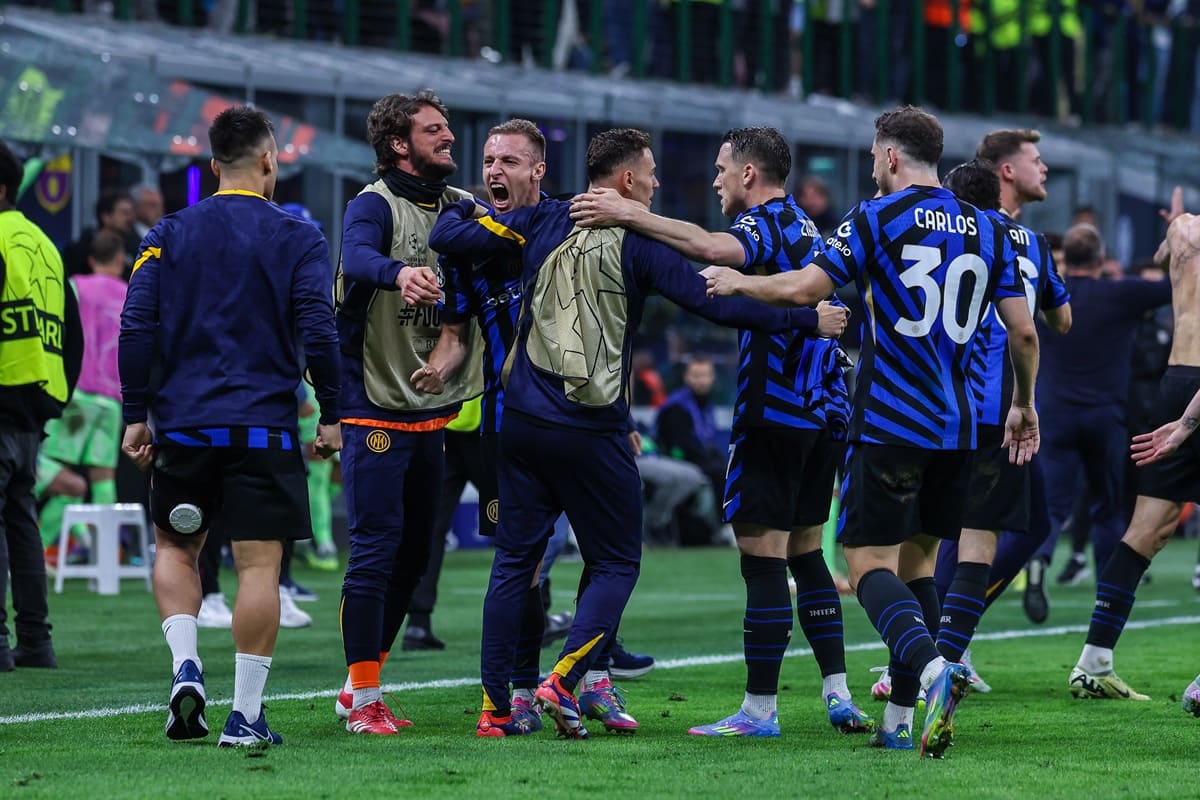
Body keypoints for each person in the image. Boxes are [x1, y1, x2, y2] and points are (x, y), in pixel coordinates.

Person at [430, 127, 846, 739]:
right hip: (588, 428)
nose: (657, 184)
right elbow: (715, 300)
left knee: (514, 564)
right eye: (650, 175)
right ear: (627, 181)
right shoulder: (636, 240)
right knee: (618, 560)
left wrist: (465, 208)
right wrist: (807, 319)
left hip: (517, 423)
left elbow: (447, 235)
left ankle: (502, 707)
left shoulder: (541, 218)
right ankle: (569, 677)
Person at [703, 106, 1040, 758]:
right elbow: (1024, 331)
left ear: (889, 157)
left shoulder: (875, 217)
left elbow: (807, 288)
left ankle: (937, 669)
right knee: (919, 566)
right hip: (964, 427)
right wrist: (1024, 403)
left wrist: (741, 280)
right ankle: (897, 725)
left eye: (870, 157)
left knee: (865, 566)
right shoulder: (990, 228)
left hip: (891, 421)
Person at [570, 126, 869, 739]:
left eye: (721, 169)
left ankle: (759, 711)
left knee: (762, 564)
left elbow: (709, 249)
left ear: (749, 175)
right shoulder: (809, 229)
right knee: (808, 556)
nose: (715, 180)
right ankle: (838, 694)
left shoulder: (767, 223)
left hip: (774, 414)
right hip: (825, 415)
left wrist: (627, 212)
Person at [118, 106, 342, 746]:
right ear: (270, 161)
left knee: (175, 547)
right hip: (265, 430)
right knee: (258, 568)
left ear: (213, 166)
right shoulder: (299, 237)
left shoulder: (167, 232)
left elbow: (137, 328)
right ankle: (245, 716)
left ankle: (185, 665)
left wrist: (138, 414)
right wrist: (331, 412)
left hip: (185, 427)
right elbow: (320, 332)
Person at [331, 89, 481, 736]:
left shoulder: (458, 209)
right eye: (435, 130)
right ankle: (364, 700)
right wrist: (398, 274)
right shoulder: (373, 205)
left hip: (432, 408)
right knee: (375, 551)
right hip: (373, 405)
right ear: (400, 143)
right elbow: (357, 257)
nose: (449, 137)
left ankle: (358, 684)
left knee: (416, 556)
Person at [929, 134, 1072, 681]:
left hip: (955, 399)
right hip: (999, 404)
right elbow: (1058, 322)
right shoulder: (1029, 243)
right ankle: (936, 653)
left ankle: (946, 644)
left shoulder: (947, 233)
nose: (1045, 167)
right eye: (1036, 160)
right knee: (966, 530)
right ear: (1006, 172)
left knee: (1027, 525)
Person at [1067, 187, 1197, 703]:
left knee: (1148, 529)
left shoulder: (1184, 230)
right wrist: (1189, 425)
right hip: (1192, 402)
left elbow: (1166, 259)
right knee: (1148, 528)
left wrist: (1172, 226)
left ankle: (1094, 662)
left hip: (1176, 380)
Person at [1022, 222, 1171, 622]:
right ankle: (1110, 589)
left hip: (1054, 414)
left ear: (1066, 259)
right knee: (1107, 507)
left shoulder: (1048, 294)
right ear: (1102, 260)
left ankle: (1039, 562)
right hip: (1106, 417)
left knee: (1052, 507)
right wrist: (1174, 235)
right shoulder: (1123, 293)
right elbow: (1173, 283)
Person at [0, 139, 82, 672]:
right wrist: (54, 401)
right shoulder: (45, 244)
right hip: (34, 403)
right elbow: (70, 335)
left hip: (3, 390)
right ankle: (35, 642)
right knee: (20, 518)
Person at [38, 230, 128, 553]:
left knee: (50, 470)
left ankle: (41, 546)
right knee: (104, 481)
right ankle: (105, 558)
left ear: (91, 260)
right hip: (112, 400)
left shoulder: (75, 286)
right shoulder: (131, 294)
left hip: (76, 394)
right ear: (121, 260)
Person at [61, 189, 136, 277]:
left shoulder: (134, 250)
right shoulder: (79, 252)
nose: (130, 218)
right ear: (105, 217)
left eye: (131, 213)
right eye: (124, 213)